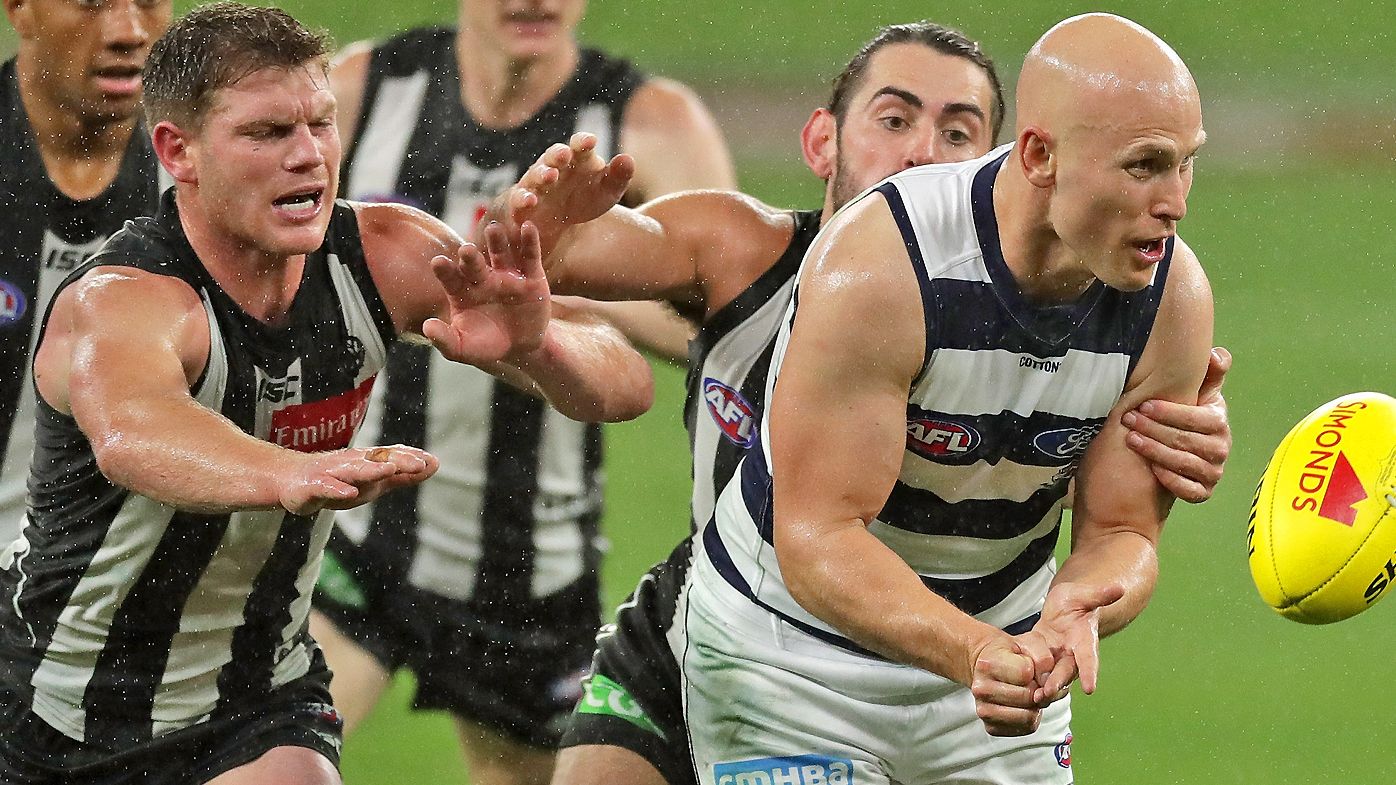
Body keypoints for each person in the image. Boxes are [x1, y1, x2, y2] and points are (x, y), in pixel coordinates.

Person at [491, 18, 1230, 785]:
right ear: (1040, 155)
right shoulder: (882, 265)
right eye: (1146, 167)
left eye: (1186, 165)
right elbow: (816, 539)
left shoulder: (1170, 297)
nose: (1176, 203)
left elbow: (1121, 528)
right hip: (793, 652)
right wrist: (542, 251)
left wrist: (1081, 605)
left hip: (996, 670)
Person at [0, 4, 652, 784]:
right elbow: (134, 433)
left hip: (256, 703)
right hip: (52, 709)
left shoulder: (384, 254)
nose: (308, 156)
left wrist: (539, 343)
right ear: (178, 150)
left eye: (321, 123)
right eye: (268, 134)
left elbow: (624, 381)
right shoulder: (125, 298)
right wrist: (288, 473)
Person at [307, 1, 735, 782]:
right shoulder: (366, 87)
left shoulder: (653, 123)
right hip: (360, 534)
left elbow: (740, 324)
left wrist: (578, 294)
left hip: (529, 568)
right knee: (265, 761)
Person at [0, 0, 172, 544]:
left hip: (112, 604)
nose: (129, 31)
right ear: (19, 9)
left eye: (148, 2)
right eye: (92, 3)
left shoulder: (212, 185)